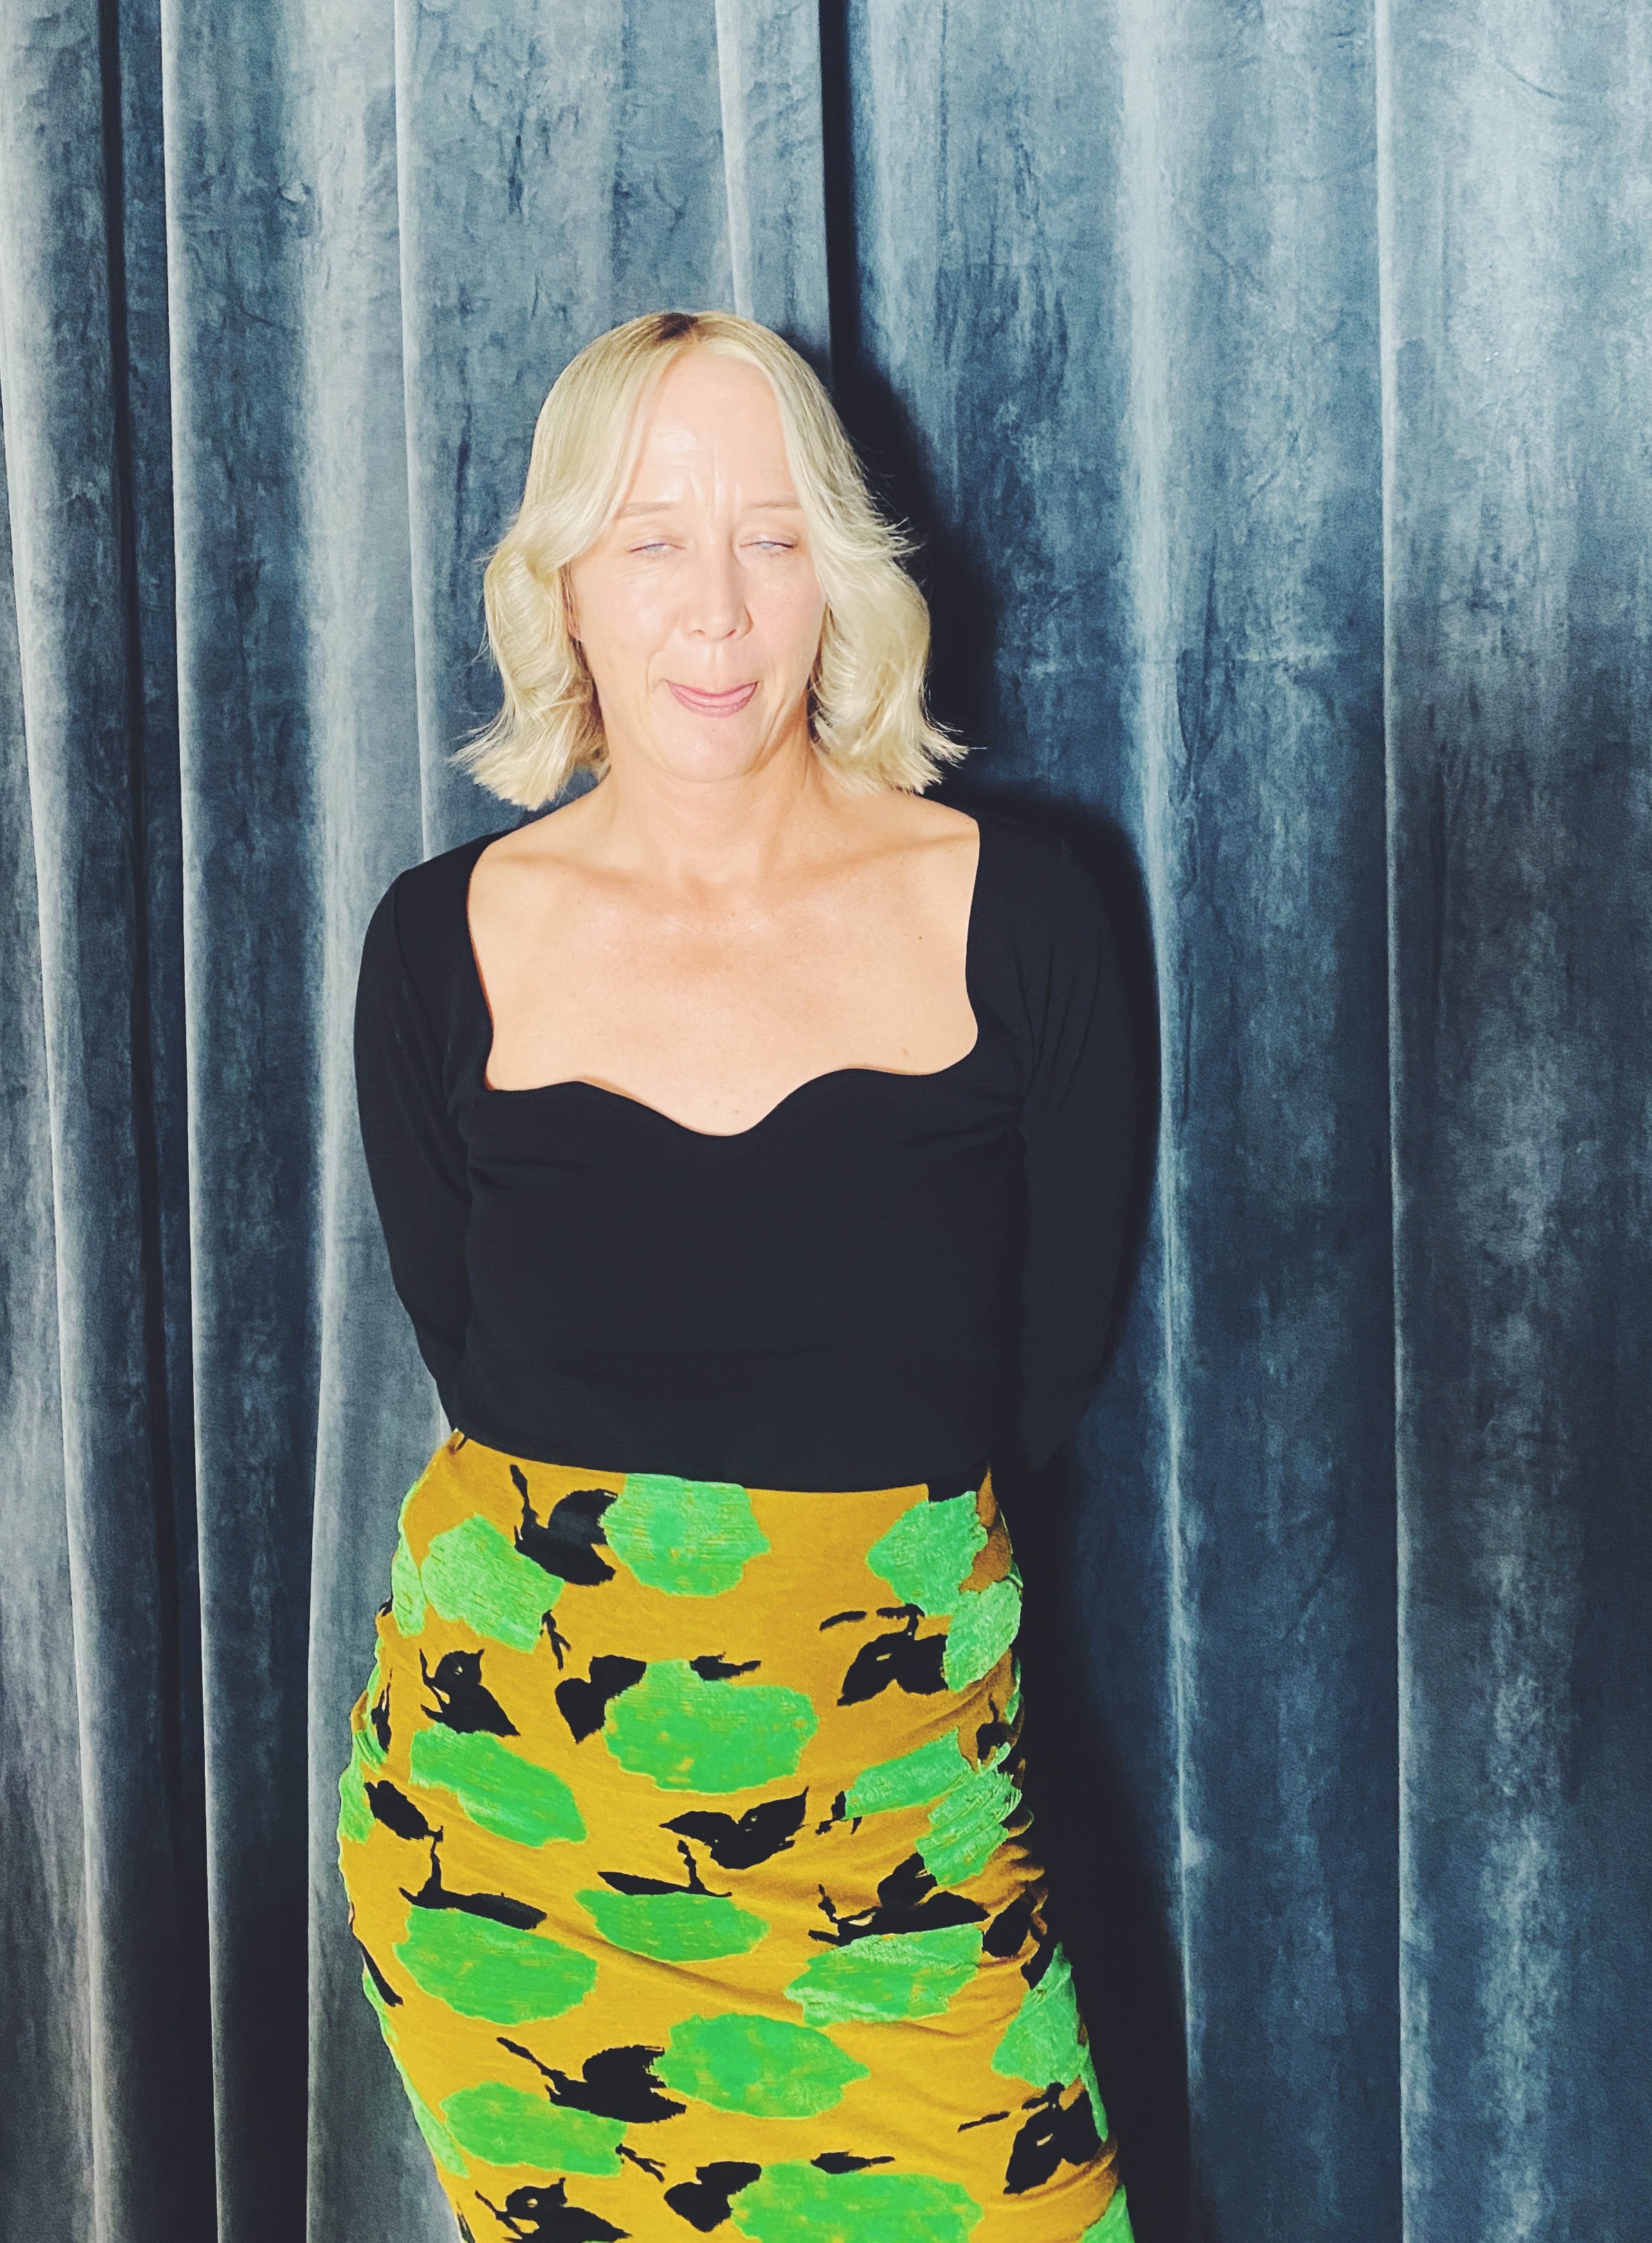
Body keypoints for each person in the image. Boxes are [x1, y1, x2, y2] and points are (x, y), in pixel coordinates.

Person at [344, 308, 1140, 2243]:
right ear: (563, 589)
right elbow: (477, 1364)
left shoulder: (1027, 911)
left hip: (903, 1859)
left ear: (841, 577)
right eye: (652, 540)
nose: (715, 608)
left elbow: (1047, 1372)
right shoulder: (439, 943)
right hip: (516, 1861)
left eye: (772, 536)